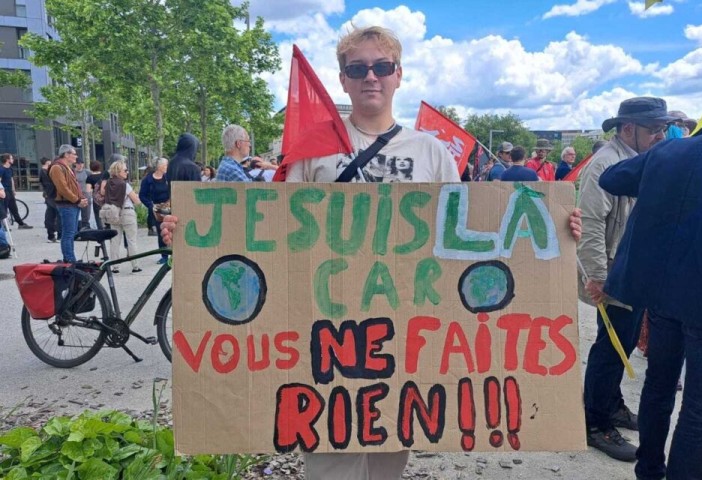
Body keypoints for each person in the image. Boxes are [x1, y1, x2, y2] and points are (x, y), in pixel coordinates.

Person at [162, 25, 582, 480]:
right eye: (358, 68)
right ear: (342, 79)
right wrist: (192, 233)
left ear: (398, 74)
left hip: (402, 343)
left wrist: (556, 229)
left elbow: (465, 235)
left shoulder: (431, 152)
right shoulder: (313, 150)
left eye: (382, 67)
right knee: (328, 458)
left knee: (387, 456)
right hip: (321, 334)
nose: (371, 77)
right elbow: (271, 233)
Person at [599, 104, 702, 480]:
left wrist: (670, 154)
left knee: (659, 385)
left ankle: (649, 471)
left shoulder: (670, 150)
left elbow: (613, 178)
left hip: (663, 297)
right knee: (701, 409)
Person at [578, 96, 679, 462]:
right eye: (653, 129)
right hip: (612, 274)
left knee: (621, 341)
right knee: (609, 348)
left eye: (662, 128)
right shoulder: (604, 164)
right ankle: (594, 422)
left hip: (634, 271)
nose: (660, 135)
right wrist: (598, 277)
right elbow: (589, 225)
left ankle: (613, 404)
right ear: (627, 129)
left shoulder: (639, 160)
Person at [49, 145, 88, 262]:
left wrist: (81, 198)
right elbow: (63, 188)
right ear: (66, 154)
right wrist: (77, 200)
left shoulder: (67, 167)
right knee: (68, 234)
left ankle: (70, 259)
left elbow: (75, 186)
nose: (76, 156)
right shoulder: (57, 167)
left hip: (72, 204)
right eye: (74, 154)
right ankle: (70, 260)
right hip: (66, 204)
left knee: (71, 233)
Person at [105, 160, 142, 273]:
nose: (127, 172)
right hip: (127, 213)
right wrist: (137, 198)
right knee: (131, 240)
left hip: (113, 213)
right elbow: (136, 201)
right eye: (125, 170)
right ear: (118, 171)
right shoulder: (125, 185)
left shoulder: (108, 184)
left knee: (115, 241)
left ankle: (115, 266)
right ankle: (135, 265)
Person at [139, 157, 170, 264]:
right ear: (159, 166)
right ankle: (164, 255)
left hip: (169, 206)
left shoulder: (168, 178)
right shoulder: (148, 180)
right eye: (165, 165)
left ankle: (173, 253)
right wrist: (150, 205)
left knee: (172, 229)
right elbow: (142, 195)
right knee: (161, 231)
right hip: (156, 209)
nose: (167, 167)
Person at [0, 153, 32, 228]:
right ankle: (3, 226)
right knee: (4, 209)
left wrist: (13, 190)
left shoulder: (10, 168)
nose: (13, 160)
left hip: (10, 191)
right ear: (7, 160)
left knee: (14, 208)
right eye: (11, 158)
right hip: (4, 191)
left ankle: (20, 224)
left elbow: (11, 180)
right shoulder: (1, 169)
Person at [39, 157, 60, 242]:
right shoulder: (47, 171)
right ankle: (57, 234)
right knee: (55, 215)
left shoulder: (44, 171)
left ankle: (51, 234)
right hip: (53, 195)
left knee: (50, 215)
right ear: (47, 163)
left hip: (49, 195)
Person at [73, 157, 92, 230]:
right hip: (76, 194)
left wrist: (91, 190)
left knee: (86, 212)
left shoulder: (87, 172)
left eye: (82, 164)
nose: (80, 165)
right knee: (75, 211)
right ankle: (75, 226)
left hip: (86, 194)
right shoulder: (73, 172)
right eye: (78, 164)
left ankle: (85, 225)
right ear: (75, 164)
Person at [86, 160, 104, 229]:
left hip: (96, 200)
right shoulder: (104, 175)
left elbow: (88, 190)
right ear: (99, 167)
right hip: (106, 199)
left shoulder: (89, 178)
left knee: (98, 217)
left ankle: (101, 236)